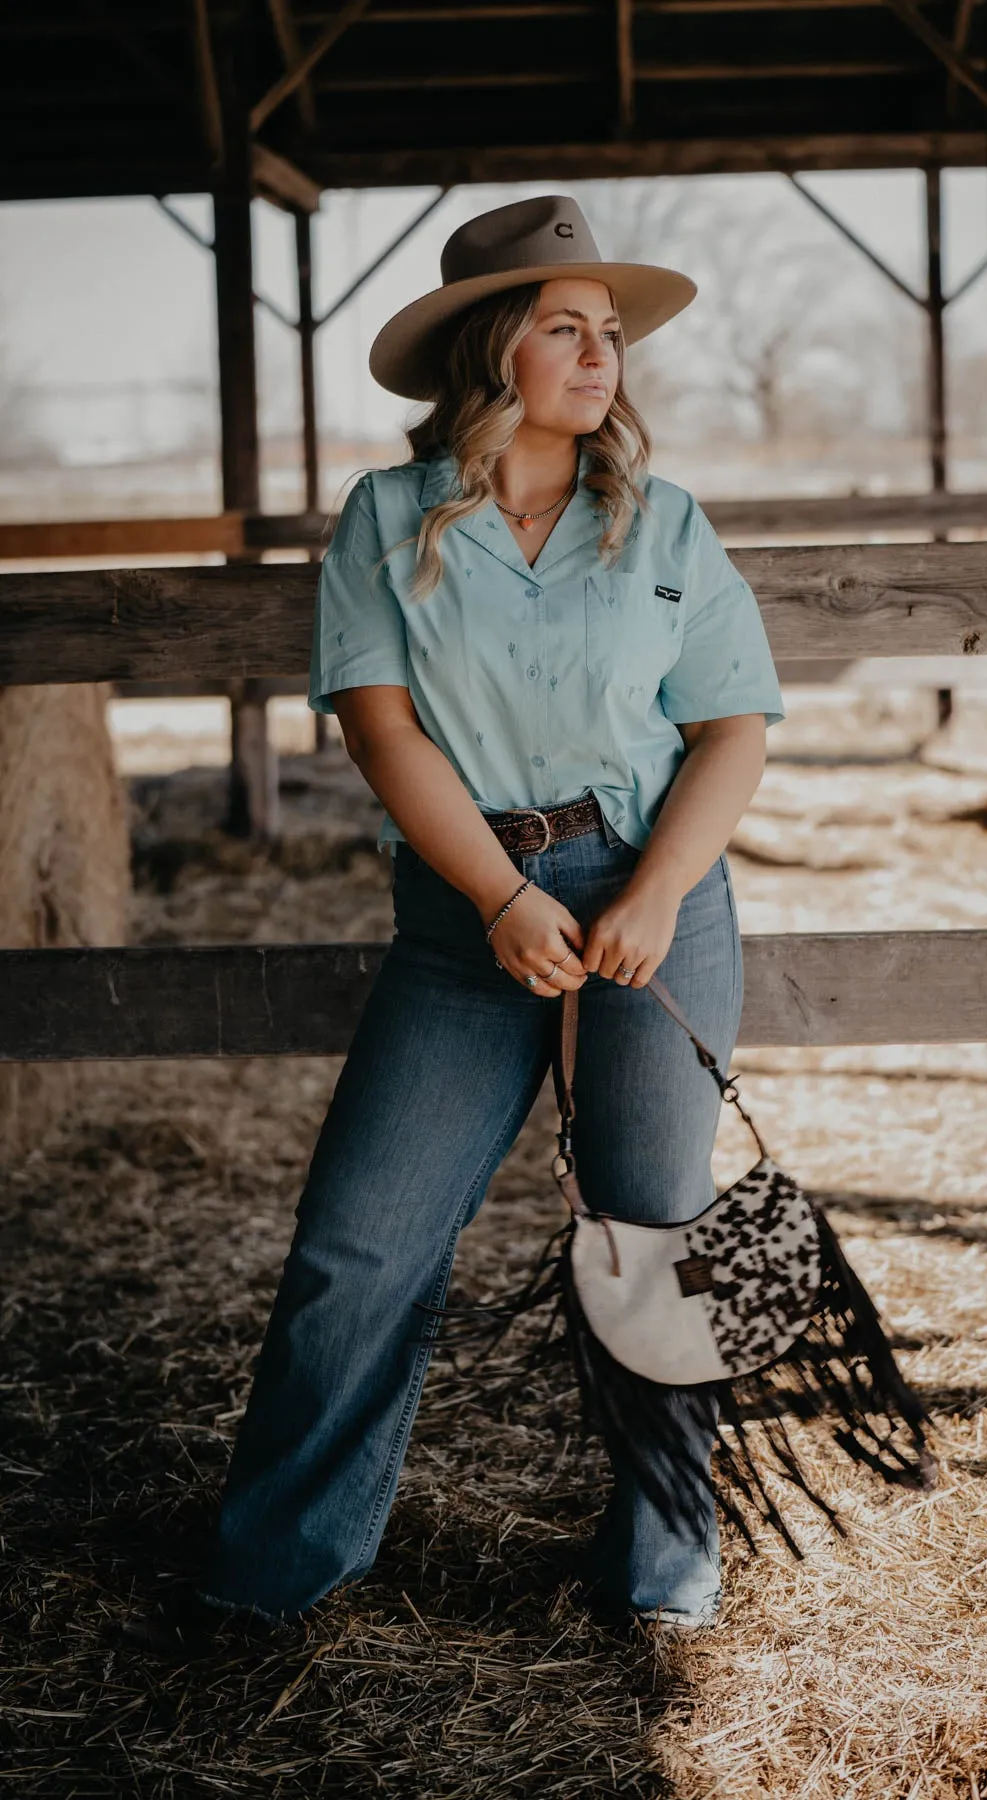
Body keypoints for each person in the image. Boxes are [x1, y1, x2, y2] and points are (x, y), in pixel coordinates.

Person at [200, 194, 785, 1633]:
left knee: (656, 1235)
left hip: (657, 893)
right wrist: (499, 894)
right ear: (490, 352)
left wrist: (651, 894)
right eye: (565, 329)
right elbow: (383, 729)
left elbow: (733, 730)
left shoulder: (664, 520)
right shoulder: (389, 521)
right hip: (469, 914)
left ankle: (665, 1575)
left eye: (611, 334)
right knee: (360, 1240)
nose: (603, 358)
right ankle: (275, 1571)